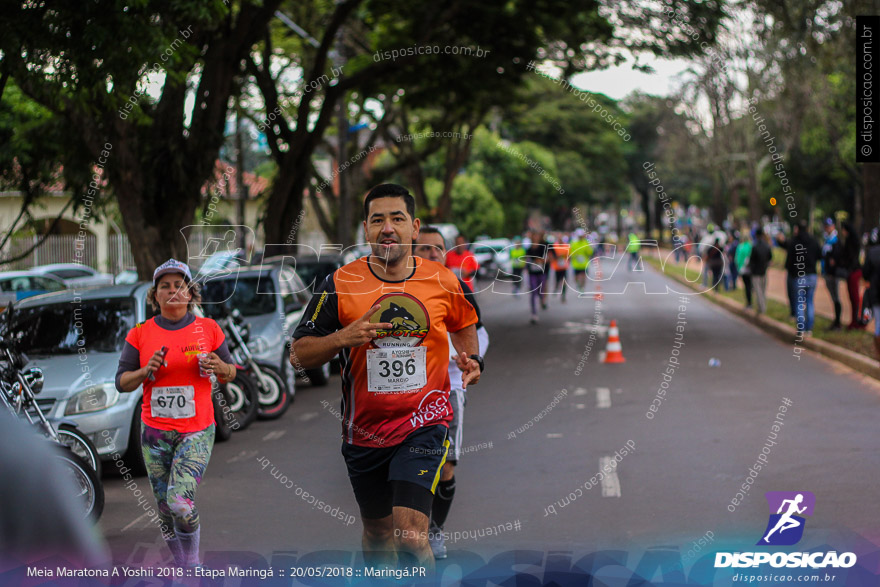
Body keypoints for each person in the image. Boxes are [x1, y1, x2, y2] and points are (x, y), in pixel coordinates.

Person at [290, 184, 482, 571]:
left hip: (424, 422)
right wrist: (345, 336)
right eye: (378, 220)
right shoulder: (340, 284)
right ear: (366, 230)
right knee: (379, 535)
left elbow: (465, 322)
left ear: (415, 227)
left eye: (397, 218)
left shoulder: (442, 280)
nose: (388, 228)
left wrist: (471, 357)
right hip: (363, 431)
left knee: (411, 535)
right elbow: (298, 352)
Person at [116, 259, 237, 568]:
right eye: (165, 286)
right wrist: (146, 370)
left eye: (179, 285)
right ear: (154, 295)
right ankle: (181, 564)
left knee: (179, 503)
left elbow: (231, 372)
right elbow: (121, 383)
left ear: (191, 293)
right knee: (163, 507)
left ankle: (192, 560)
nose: (172, 291)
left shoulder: (207, 328)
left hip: (196, 429)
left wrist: (216, 366)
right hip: (154, 431)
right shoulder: (140, 334)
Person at [413, 227, 489, 560]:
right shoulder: (398, 288)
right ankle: (408, 528)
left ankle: (435, 531)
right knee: (411, 466)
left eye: (437, 249)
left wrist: (471, 360)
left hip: (449, 387)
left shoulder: (455, 287)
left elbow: (478, 334)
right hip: (409, 391)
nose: (432, 255)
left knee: (445, 468)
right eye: (425, 249)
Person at [791, 222, 822, 335]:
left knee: (800, 302)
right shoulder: (813, 241)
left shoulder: (795, 242)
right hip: (812, 275)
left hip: (799, 276)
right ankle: (809, 328)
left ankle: (801, 328)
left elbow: (790, 260)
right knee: (809, 301)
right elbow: (820, 255)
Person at [840, 222, 865, 330]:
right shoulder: (850, 241)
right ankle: (854, 321)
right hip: (852, 272)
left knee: (855, 298)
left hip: (854, 272)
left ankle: (858, 322)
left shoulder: (852, 242)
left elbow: (851, 258)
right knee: (852, 298)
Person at [821, 217, 844, 330]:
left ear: (833, 226)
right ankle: (836, 321)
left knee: (836, 298)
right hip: (827, 273)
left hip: (833, 274)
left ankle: (838, 322)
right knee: (833, 298)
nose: (827, 228)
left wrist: (831, 271)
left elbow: (835, 259)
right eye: (826, 226)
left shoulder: (836, 240)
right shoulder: (826, 239)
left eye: (829, 226)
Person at [862, 228, 880, 361]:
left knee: (879, 324)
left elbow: (865, 273)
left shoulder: (873, 252)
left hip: (876, 294)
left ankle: (879, 354)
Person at [524, 230, 548, 323]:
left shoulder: (542, 248)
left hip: (541, 272)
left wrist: (539, 260)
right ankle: (534, 314)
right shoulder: (529, 249)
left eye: (537, 237)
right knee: (533, 292)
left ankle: (542, 301)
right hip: (532, 273)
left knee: (540, 291)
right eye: (534, 237)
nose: (535, 238)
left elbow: (545, 260)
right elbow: (527, 260)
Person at [750, 228, 772, 315]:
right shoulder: (767, 246)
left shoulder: (755, 246)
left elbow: (752, 260)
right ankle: (762, 307)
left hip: (756, 272)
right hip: (764, 271)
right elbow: (770, 257)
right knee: (762, 291)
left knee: (758, 291)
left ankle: (761, 308)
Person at [549, 234, 570, 303]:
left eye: (561, 239)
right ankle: (556, 287)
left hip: (564, 267)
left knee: (564, 281)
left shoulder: (566, 246)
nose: (560, 240)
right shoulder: (555, 246)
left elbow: (569, 256)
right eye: (559, 239)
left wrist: (564, 257)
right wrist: (557, 257)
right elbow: (551, 255)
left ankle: (563, 295)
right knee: (558, 280)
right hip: (557, 267)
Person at [735, 232, 753, 309]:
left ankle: (748, 303)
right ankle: (750, 302)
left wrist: (739, 268)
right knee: (749, 286)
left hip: (743, 270)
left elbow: (737, 259)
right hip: (751, 270)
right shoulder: (751, 246)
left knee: (746, 287)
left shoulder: (740, 247)